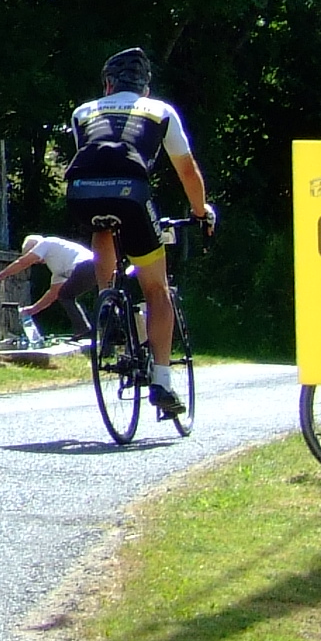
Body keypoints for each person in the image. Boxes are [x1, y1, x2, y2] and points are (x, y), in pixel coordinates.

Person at [63, 47, 218, 421]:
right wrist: (201, 212)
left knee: (102, 225)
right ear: (145, 88)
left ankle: (107, 303)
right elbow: (187, 171)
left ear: (108, 84)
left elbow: (94, 161)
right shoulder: (161, 111)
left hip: (81, 194)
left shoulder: (83, 112)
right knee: (156, 289)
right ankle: (162, 380)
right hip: (132, 195)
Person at [0, 232, 100, 341]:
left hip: (87, 264)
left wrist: (1, 275)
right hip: (96, 267)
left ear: (35, 248)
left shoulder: (46, 242)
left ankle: (84, 330)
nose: (36, 262)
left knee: (65, 296)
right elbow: (53, 293)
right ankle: (89, 331)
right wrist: (33, 309)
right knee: (66, 295)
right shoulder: (58, 267)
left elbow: (22, 262)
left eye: (32, 255)